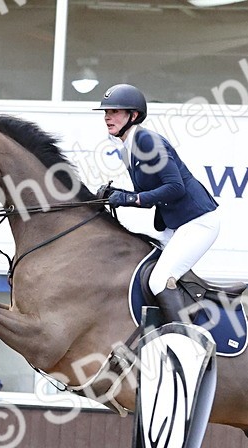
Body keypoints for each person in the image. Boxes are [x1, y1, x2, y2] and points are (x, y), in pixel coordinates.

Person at [95, 84, 220, 324]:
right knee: (141, 258)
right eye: (106, 112)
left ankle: (185, 340)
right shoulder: (127, 149)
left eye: (115, 112)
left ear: (133, 116)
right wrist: (118, 195)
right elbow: (146, 193)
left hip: (199, 222)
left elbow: (175, 188)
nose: (107, 117)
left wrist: (129, 199)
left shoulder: (147, 141)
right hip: (177, 226)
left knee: (159, 280)